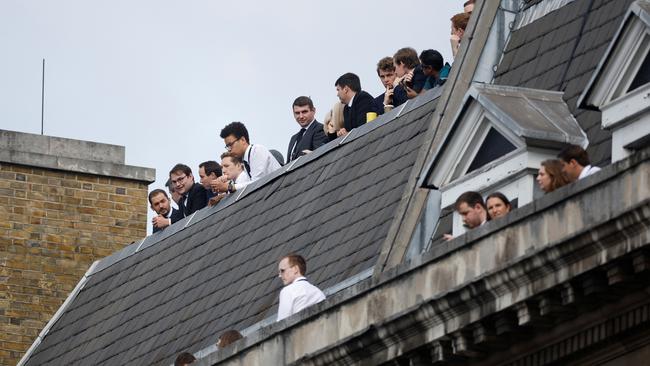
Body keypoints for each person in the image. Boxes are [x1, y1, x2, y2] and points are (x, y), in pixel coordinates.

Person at [213, 122, 281, 193]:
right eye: (227, 147)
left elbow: (257, 183)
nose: (229, 150)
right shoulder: (245, 160)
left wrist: (229, 187)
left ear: (243, 140)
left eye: (230, 145)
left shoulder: (257, 151)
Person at [277, 254, 325, 321]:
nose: (280, 275)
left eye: (282, 271)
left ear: (295, 269)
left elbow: (282, 323)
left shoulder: (288, 291)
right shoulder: (318, 292)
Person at [334, 72, 379, 137]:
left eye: (338, 90)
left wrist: (348, 135)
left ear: (345, 89)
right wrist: (343, 133)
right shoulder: (346, 108)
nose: (337, 94)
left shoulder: (363, 98)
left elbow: (363, 128)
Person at [287, 96, 328, 162]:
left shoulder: (321, 130)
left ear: (313, 111)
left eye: (304, 112)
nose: (301, 116)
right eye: (297, 113)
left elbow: (319, 159)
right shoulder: (293, 138)